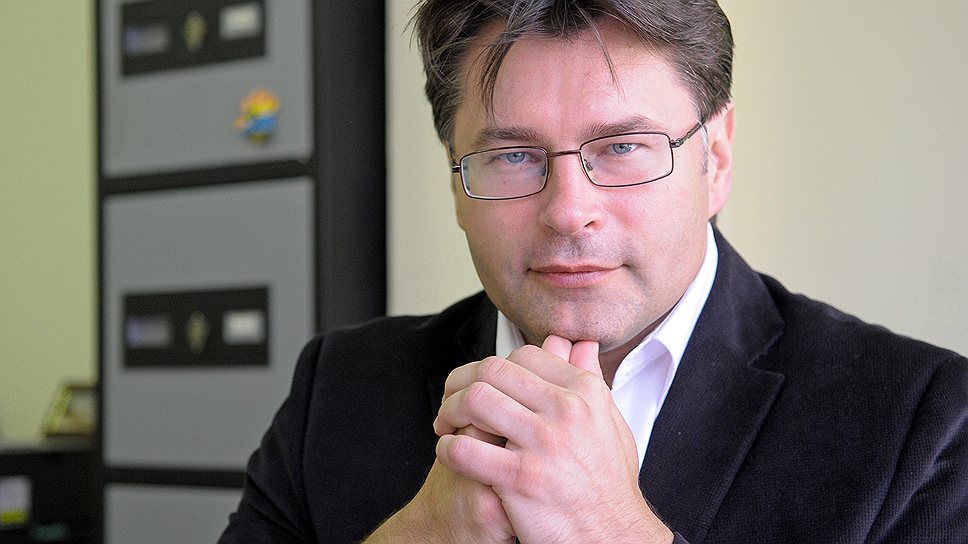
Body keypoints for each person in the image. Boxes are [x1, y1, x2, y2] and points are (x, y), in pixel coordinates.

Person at [219, 1, 968, 542]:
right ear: (455, 178)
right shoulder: (338, 387)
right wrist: (425, 533)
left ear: (716, 159)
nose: (569, 211)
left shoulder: (922, 422)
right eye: (514, 156)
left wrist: (612, 530)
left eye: (623, 147)